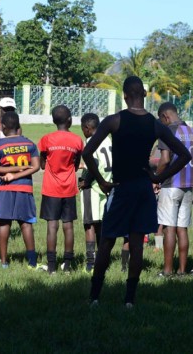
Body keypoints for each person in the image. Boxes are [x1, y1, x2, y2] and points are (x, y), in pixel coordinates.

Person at [85, 76, 191, 307]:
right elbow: (185, 155)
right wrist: (159, 178)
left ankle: (94, 296)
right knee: (136, 244)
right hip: (143, 189)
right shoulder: (155, 124)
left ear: (124, 96)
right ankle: (129, 300)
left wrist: (102, 181)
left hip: (121, 187)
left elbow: (87, 152)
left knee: (107, 242)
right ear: (144, 94)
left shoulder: (115, 120)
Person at [155, 102, 193, 277]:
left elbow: (165, 160)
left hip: (170, 185)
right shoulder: (191, 131)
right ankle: (182, 270)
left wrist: (157, 179)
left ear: (165, 117)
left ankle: (167, 270)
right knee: (182, 228)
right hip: (188, 186)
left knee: (169, 228)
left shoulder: (167, 131)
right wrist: (190, 174)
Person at [0, 111, 42, 269]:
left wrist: (10, 174)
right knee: (26, 224)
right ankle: (32, 262)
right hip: (24, 189)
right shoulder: (29, 144)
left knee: (4, 223)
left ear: (3, 127)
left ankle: (4, 262)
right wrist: (20, 171)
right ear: (18, 126)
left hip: (5, 189)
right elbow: (36, 167)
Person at [38, 105, 84, 274]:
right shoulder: (77, 140)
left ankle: (51, 267)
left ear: (53, 120)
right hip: (69, 188)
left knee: (52, 225)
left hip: (51, 188)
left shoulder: (46, 139)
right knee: (68, 226)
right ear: (70, 120)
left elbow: (43, 164)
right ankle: (67, 265)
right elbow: (77, 163)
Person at [79, 113, 113, 274]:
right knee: (100, 223)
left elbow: (95, 162)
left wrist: (85, 180)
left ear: (87, 128)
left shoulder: (91, 140)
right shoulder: (107, 139)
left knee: (89, 224)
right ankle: (103, 259)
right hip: (106, 185)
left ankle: (91, 263)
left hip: (93, 187)